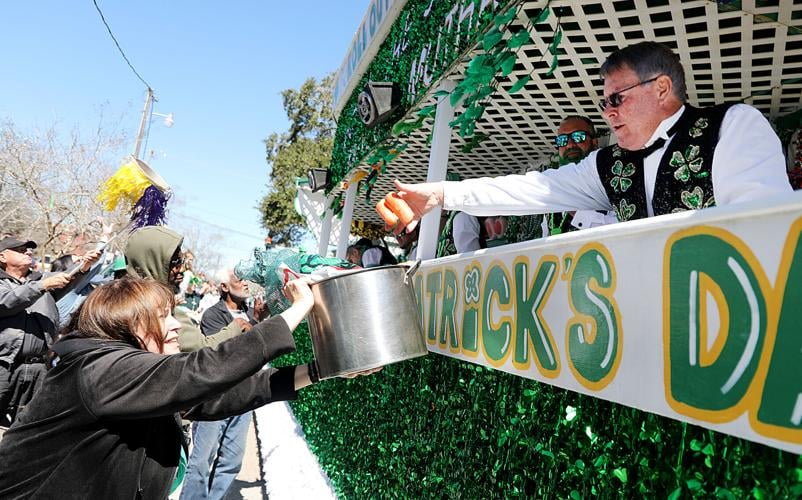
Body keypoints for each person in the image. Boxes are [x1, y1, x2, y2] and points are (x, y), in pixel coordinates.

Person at [392, 41, 791, 232]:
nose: (608, 112)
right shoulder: (608, 164)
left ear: (662, 88)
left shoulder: (732, 126)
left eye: (617, 97)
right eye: (605, 102)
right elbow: (532, 190)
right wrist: (442, 194)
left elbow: (764, 230)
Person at [0, 276, 337, 498]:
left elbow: (216, 397)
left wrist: (318, 371)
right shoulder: (99, 370)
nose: (176, 325)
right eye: (163, 317)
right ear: (130, 325)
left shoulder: (128, 376)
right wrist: (297, 310)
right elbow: (200, 372)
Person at [0, 236, 100, 426]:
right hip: (4, 365)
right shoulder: (35, 283)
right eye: (20, 249)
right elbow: (7, 300)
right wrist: (42, 286)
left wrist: (85, 265)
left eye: (29, 249)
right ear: (3, 257)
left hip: (39, 367)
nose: (28, 252)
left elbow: (70, 277)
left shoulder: (41, 280)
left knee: (30, 425)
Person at [181, 269, 258, 500]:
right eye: (239, 279)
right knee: (203, 459)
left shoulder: (252, 314)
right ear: (224, 287)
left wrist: (255, 323)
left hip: (242, 397)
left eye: (247, 279)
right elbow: (224, 355)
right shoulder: (213, 315)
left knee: (232, 459)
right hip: (215, 397)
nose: (245, 283)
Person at [124, 226, 245, 352]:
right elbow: (201, 349)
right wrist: (237, 327)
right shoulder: (148, 307)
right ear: (153, 262)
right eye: (175, 261)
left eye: (182, 261)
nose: (182, 269)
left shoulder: (132, 298)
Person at [544, 115, 617, 235]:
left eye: (578, 137)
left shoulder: (612, 178)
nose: (570, 145)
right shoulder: (554, 189)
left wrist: (578, 214)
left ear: (594, 142)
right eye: (562, 140)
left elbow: (624, 229)